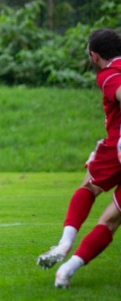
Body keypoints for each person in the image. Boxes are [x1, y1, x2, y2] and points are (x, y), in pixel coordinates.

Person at [37, 28, 121, 288]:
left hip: (116, 147)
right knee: (111, 219)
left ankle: (63, 245)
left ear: (95, 55)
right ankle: (66, 271)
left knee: (88, 186)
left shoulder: (108, 75)